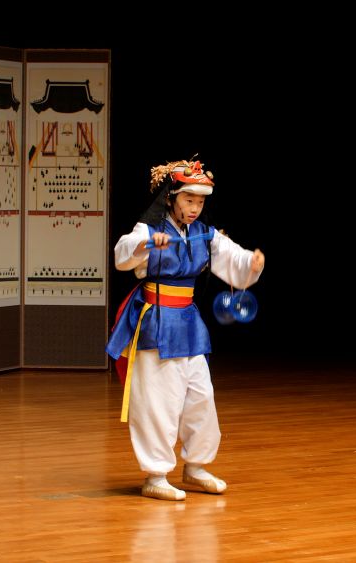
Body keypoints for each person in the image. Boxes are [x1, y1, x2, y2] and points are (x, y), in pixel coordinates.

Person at [106, 159, 265, 501]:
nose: (195, 208)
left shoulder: (203, 234)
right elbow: (122, 255)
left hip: (189, 323)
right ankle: (156, 474)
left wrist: (250, 263)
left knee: (200, 397)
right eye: (188, 200)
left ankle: (196, 466)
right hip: (157, 321)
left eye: (200, 202)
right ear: (171, 197)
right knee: (158, 400)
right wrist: (148, 245)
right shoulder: (150, 228)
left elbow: (232, 258)